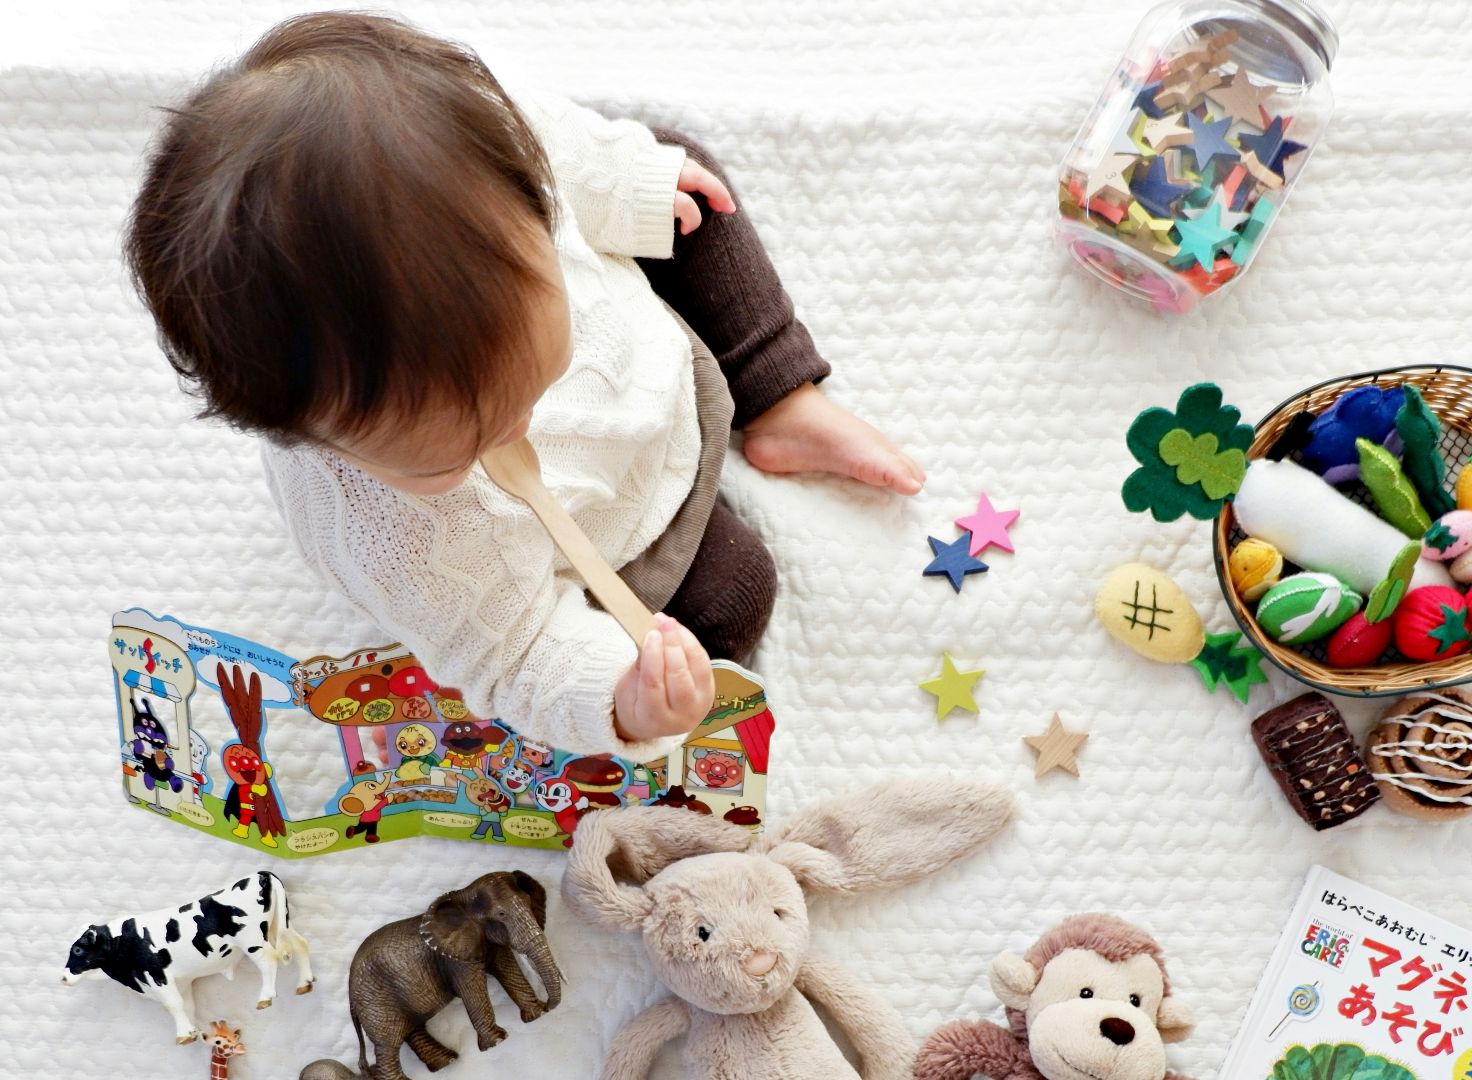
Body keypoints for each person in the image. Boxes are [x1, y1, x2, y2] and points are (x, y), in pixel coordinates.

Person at [126, 13, 922, 762]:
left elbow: (569, 153)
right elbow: (516, 656)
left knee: (684, 189)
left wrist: (628, 184)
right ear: (302, 434)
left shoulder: (494, 147)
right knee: (732, 601)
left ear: (528, 207)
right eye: (455, 452)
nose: (518, 432)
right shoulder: (399, 541)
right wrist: (623, 701)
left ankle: (780, 398)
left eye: (535, 379)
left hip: (653, 360)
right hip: (614, 535)